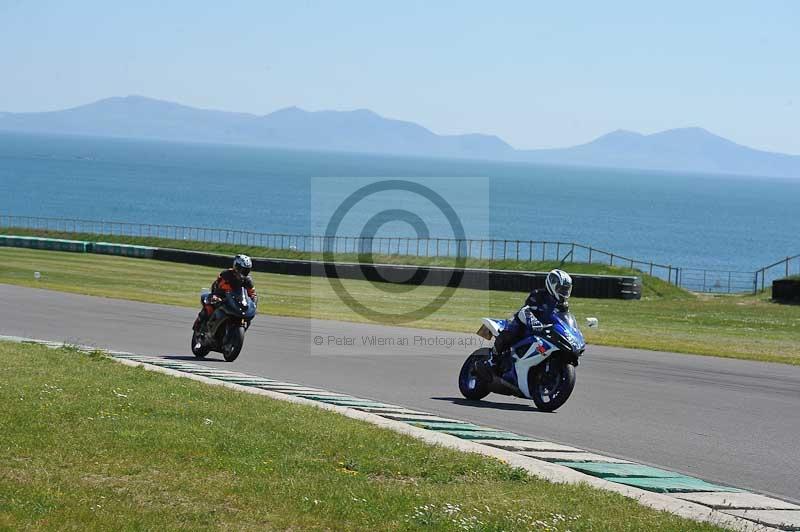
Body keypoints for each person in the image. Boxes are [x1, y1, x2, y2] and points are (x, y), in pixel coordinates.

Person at [488, 269, 573, 373]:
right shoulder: (538, 295)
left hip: (543, 330)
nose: (564, 293)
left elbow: (563, 319)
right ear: (553, 285)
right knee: (511, 332)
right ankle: (493, 359)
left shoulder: (563, 305)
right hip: (524, 323)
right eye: (561, 289)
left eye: (566, 290)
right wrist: (534, 321)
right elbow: (526, 310)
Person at [193, 254, 258, 334]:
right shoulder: (226, 274)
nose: (245, 272)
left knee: (247, 317)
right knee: (209, 308)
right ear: (236, 267)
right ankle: (200, 327)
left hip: (236, 301)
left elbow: (252, 293)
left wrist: (253, 303)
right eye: (243, 269)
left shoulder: (248, 280)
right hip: (220, 296)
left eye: (247, 270)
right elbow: (217, 287)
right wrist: (216, 297)